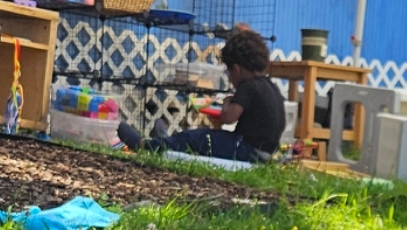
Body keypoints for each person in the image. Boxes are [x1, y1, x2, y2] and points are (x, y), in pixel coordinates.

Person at [117, 28, 287, 162]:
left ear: (236, 69)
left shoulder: (248, 87)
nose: (229, 77)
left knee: (199, 138)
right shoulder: (270, 87)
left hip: (246, 149)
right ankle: (165, 141)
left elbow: (228, 118)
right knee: (204, 139)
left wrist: (227, 102)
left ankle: (147, 146)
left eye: (229, 72)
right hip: (265, 152)